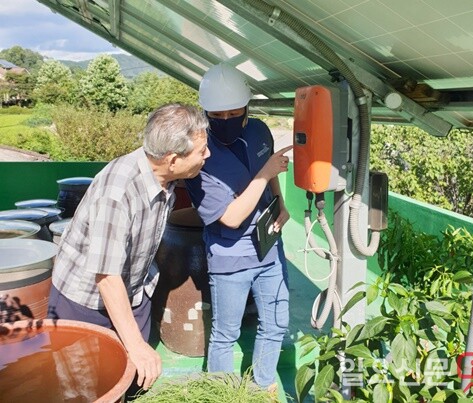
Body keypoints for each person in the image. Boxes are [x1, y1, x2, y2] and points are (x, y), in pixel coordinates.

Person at [47, 104, 210, 393]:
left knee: (132, 379)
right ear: (172, 160)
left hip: (134, 289)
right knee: (86, 388)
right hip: (85, 301)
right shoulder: (118, 192)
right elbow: (106, 277)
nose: (207, 155)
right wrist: (135, 345)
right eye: (201, 151)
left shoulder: (162, 174)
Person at [184, 63, 292, 391]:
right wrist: (265, 173)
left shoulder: (259, 130)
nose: (226, 121)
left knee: (276, 324)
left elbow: (269, 170)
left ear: (247, 109)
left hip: (269, 244)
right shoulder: (200, 155)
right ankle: (223, 394)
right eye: (218, 116)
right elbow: (230, 217)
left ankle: (262, 387)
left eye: (234, 113)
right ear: (206, 114)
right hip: (231, 257)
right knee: (225, 335)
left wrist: (282, 204)